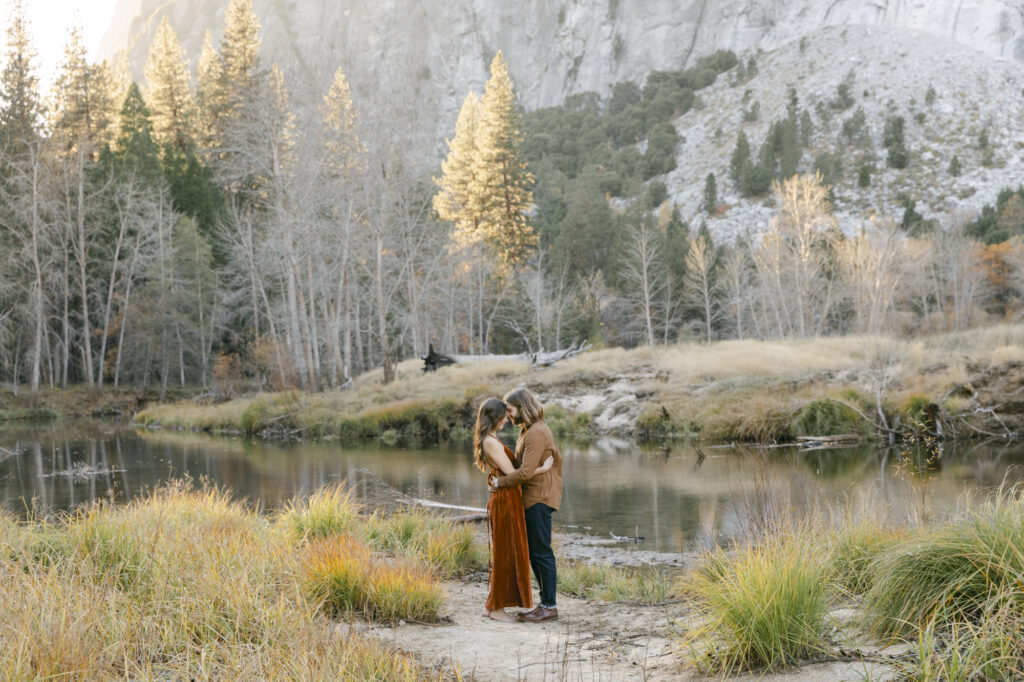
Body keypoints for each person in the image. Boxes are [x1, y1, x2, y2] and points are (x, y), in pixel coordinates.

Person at [474, 397, 554, 622]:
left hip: (508, 497)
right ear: (494, 417)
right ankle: (496, 608)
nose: (507, 420)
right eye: (504, 416)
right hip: (506, 499)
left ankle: (491, 606)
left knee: (506, 551)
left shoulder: (491, 439)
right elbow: (511, 474)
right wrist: (540, 470)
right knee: (505, 553)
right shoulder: (490, 442)